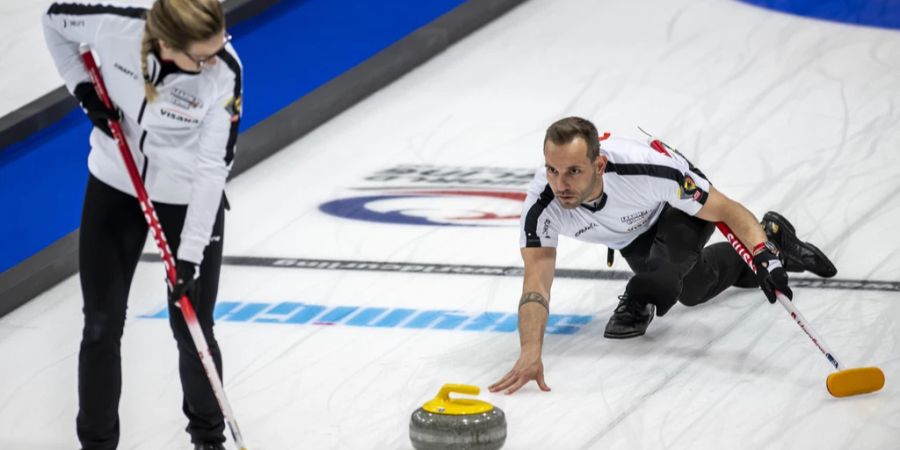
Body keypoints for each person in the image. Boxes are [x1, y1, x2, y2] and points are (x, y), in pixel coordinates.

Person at [489, 117, 836, 395]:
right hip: (630, 234)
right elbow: (536, 281)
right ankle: (773, 235)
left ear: (600, 164)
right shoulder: (542, 206)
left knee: (663, 275)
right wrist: (530, 352)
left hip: (676, 209)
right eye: (552, 170)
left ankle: (640, 296)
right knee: (693, 289)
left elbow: (727, 209)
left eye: (573, 171)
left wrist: (762, 255)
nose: (560, 184)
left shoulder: (647, 171)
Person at [43, 1, 242, 448]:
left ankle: (208, 439)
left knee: (192, 326)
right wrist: (83, 90)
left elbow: (213, 169)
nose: (214, 60)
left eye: (219, 47)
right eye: (202, 56)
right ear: (167, 44)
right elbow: (54, 23)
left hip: (183, 195)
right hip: (116, 182)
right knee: (100, 325)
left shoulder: (225, 73)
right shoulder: (116, 27)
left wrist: (189, 257)